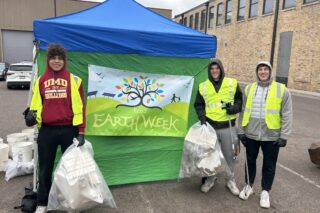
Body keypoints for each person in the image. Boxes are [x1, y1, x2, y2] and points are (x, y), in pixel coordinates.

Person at [23, 44, 86, 213]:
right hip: (47, 131)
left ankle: (71, 201)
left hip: (69, 130)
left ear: (64, 61)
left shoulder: (75, 80)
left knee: (71, 169)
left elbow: (81, 108)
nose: (56, 61)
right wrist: (31, 116)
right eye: (53, 58)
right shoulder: (40, 81)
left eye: (60, 58)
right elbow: (35, 105)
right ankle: (43, 203)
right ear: (48, 60)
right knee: (45, 169)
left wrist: (81, 132)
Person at [237, 61, 292, 208]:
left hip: (272, 136)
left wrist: (284, 136)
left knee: (269, 164)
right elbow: (242, 111)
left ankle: (265, 191)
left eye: (265, 69)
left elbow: (287, 114)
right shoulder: (249, 89)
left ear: (270, 72)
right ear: (257, 72)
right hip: (251, 134)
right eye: (260, 69)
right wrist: (241, 131)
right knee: (249, 161)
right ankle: (248, 185)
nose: (262, 72)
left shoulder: (282, 90)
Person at [194, 59, 243, 195]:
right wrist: (202, 118)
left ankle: (230, 180)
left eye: (217, 68)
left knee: (229, 155)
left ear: (221, 69)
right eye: (212, 68)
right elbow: (199, 104)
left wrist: (233, 109)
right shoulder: (203, 86)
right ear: (209, 71)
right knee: (210, 155)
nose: (214, 71)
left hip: (228, 126)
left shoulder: (232, 83)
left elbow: (240, 100)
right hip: (211, 127)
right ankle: (210, 179)